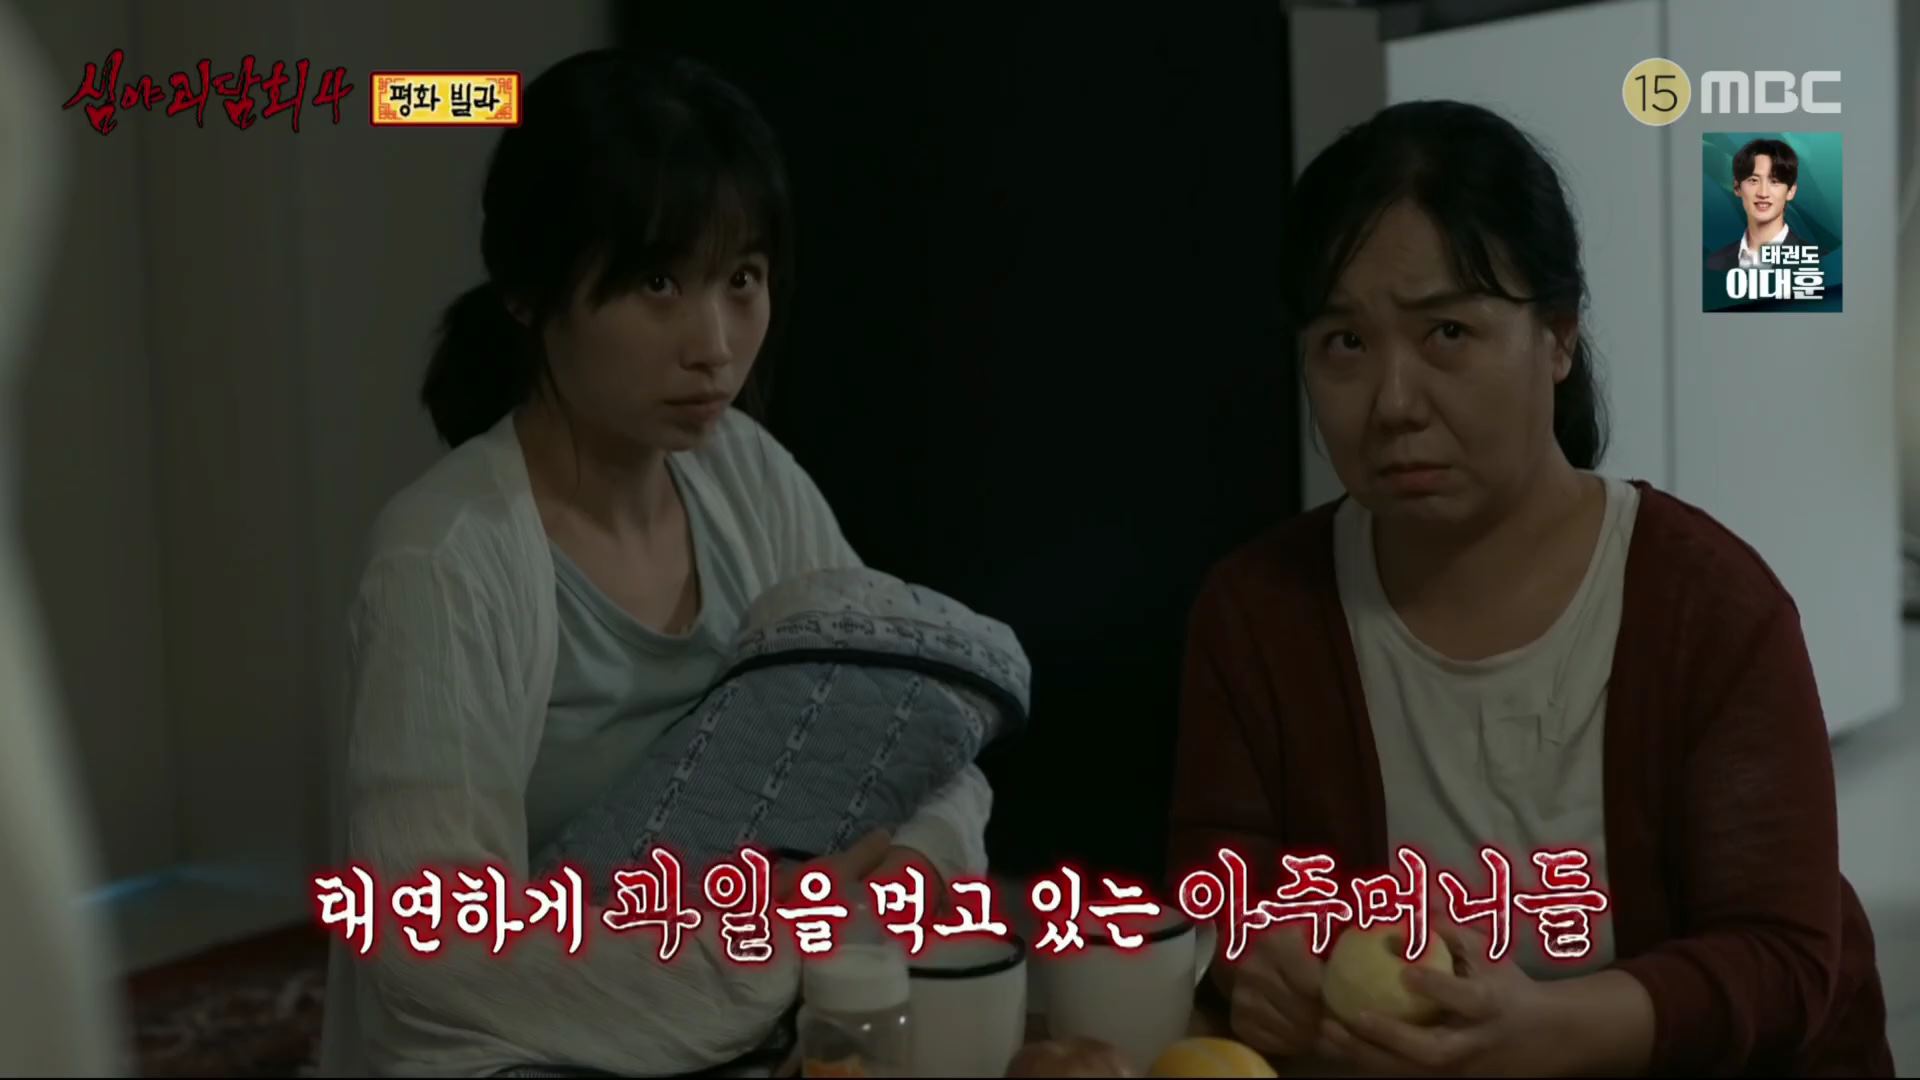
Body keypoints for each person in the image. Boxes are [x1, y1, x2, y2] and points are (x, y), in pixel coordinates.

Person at [1167, 100, 1893, 1076]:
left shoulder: (1711, 610)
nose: (1393, 403)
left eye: (1447, 332)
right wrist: (1260, 962)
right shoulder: (1261, 612)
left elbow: (1783, 959)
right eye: (1345, 343)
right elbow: (1222, 876)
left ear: (1556, 337)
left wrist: (1547, 1031)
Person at [319, 48, 992, 1077]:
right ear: (529, 291)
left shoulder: (747, 476)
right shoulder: (444, 563)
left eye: (742, 280)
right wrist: (768, 941)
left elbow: (912, 719)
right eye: (658, 282)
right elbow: (431, 937)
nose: (714, 344)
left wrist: (914, 865)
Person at [1705, 137, 1799, 274]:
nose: (1763, 193)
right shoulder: (1715, 264)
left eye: (1774, 181)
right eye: (1753, 180)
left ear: (1791, 191)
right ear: (1736, 187)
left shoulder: (1818, 262)